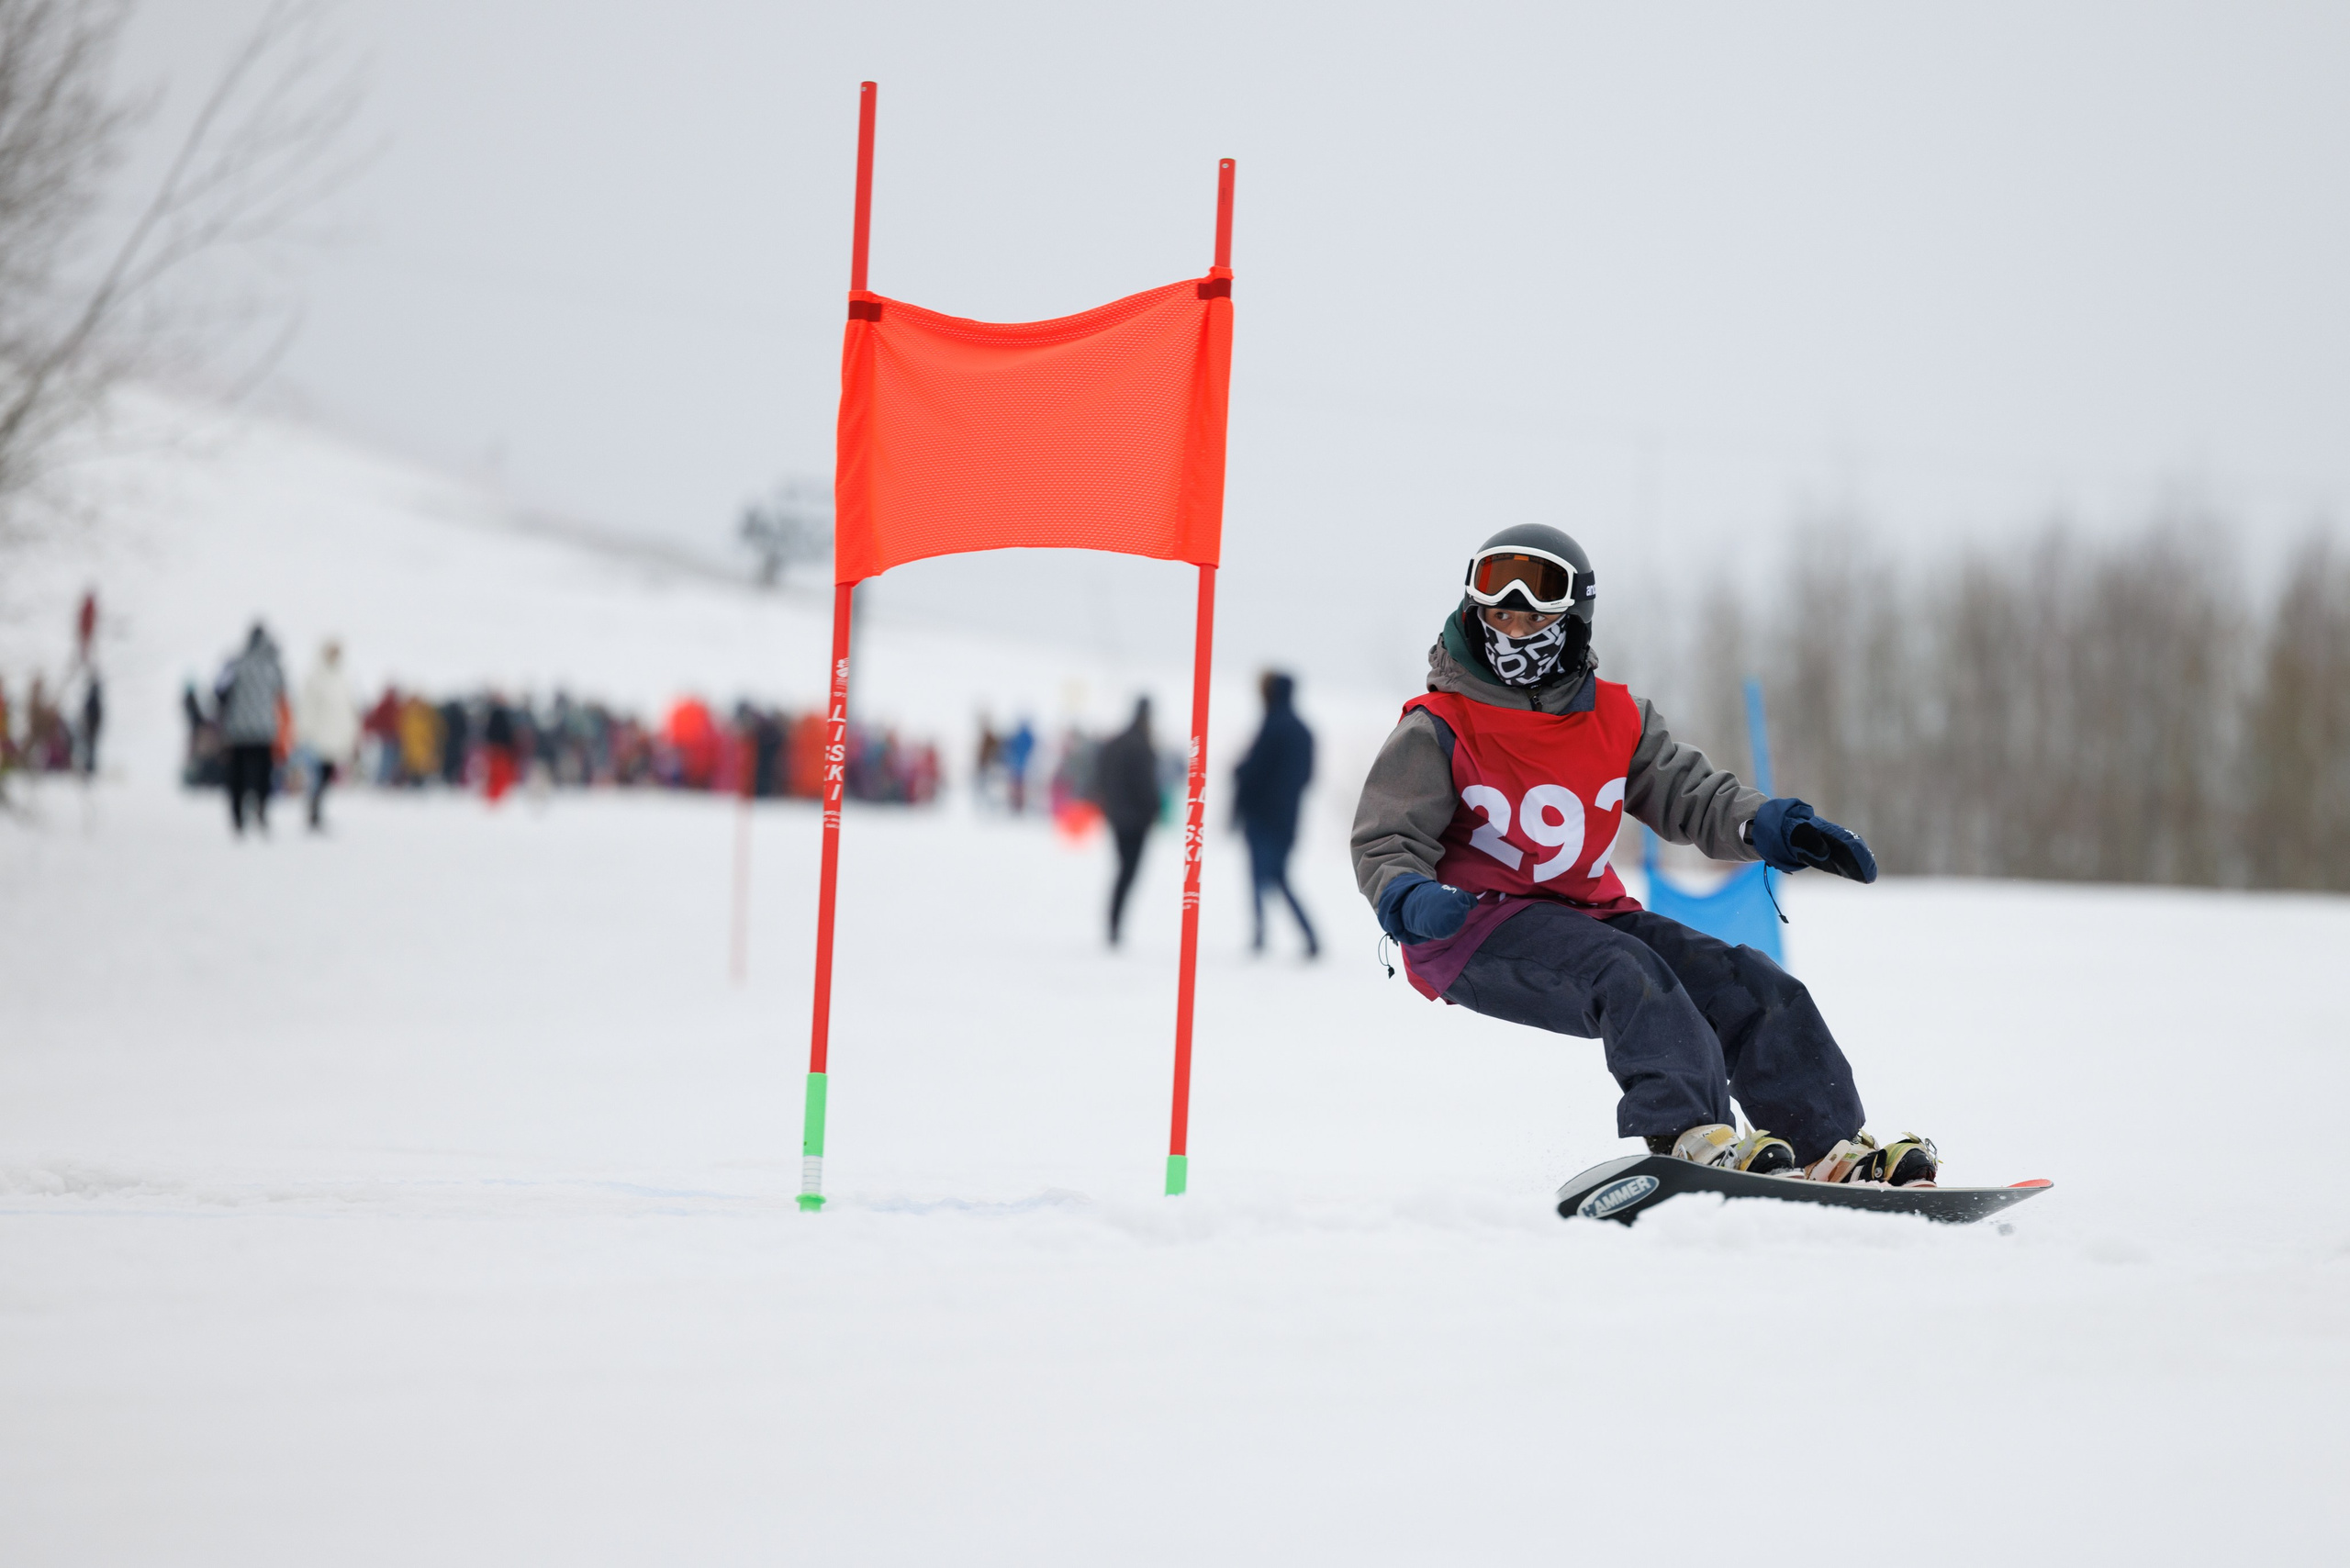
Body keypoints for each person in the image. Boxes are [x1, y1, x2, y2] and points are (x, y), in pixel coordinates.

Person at [1349, 525, 1934, 1187]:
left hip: (1589, 915)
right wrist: (1408, 897)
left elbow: (1691, 794)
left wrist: (1768, 826)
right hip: (1472, 927)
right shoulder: (1439, 725)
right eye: (1499, 616)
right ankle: (1690, 1136)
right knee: (1628, 972)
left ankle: (1826, 1146)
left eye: (1533, 618)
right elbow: (1386, 835)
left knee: (1748, 980)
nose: (1513, 632)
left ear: (1573, 619)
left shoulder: (1616, 718)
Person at [1233, 670, 1319, 958]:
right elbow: (1307, 777)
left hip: (1261, 817)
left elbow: (1253, 773)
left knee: (1262, 876)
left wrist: (1239, 775)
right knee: (1277, 877)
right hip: (1288, 818)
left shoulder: (1272, 726)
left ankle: (1261, 935)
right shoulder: (1303, 731)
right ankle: (1308, 936)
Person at [1091, 698, 1164, 946]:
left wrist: (1110, 804)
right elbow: (1146, 785)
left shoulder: (1117, 742)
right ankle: (1115, 924)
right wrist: (1154, 809)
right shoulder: (1140, 745)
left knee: (1123, 872)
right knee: (1128, 873)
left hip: (1118, 817)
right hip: (1136, 820)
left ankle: (1114, 923)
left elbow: (1101, 775)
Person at [216, 622, 286, 835]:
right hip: (264, 729)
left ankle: (237, 816)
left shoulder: (236, 663)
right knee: (263, 774)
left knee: (237, 774)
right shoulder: (273, 665)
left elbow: (219, 690)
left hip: (237, 729)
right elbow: (282, 693)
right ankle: (262, 812)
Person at [295, 640, 359, 831]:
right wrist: (304, 733)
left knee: (327, 777)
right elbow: (306, 708)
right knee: (317, 778)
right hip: (318, 739)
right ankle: (313, 813)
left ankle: (318, 811)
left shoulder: (342, 678)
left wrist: (351, 735)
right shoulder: (315, 678)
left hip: (336, 739)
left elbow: (348, 710)